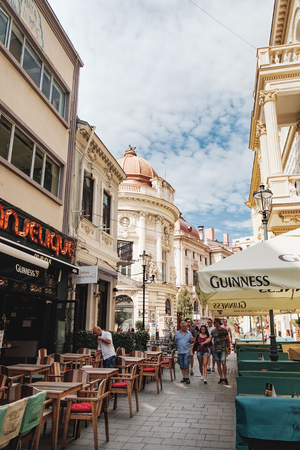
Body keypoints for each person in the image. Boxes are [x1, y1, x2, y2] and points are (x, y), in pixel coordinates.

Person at [211, 318, 231, 385]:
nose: (213, 323)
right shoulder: (213, 331)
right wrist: (204, 342)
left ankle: (225, 377)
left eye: (214, 322)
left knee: (223, 363)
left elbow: (228, 339)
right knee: (218, 363)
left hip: (222, 349)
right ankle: (221, 377)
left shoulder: (224, 331)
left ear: (218, 323)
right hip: (216, 350)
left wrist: (229, 348)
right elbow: (209, 338)